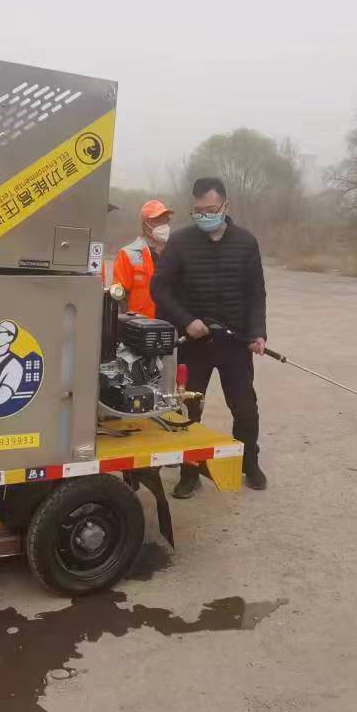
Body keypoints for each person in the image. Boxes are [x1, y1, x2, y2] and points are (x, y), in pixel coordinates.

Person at [151, 177, 268, 495]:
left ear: (225, 207)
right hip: (194, 344)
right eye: (198, 211)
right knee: (189, 409)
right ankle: (190, 472)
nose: (205, 215)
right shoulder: (180, 242)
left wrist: (258, 332)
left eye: (211, 209)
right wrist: (187, 321)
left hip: (234, 342)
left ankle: (250, 463)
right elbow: (159, 288)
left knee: (245, 407)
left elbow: (256, 293)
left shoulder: (246, 242)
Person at [111, 198, 173, 317]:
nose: (163, 226)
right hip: (140, 324)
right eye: (157, 221)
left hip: (171, 324)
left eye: (165, 221)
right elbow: (119, 296)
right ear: (145, 225)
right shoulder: (128, 254)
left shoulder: (175, 251)